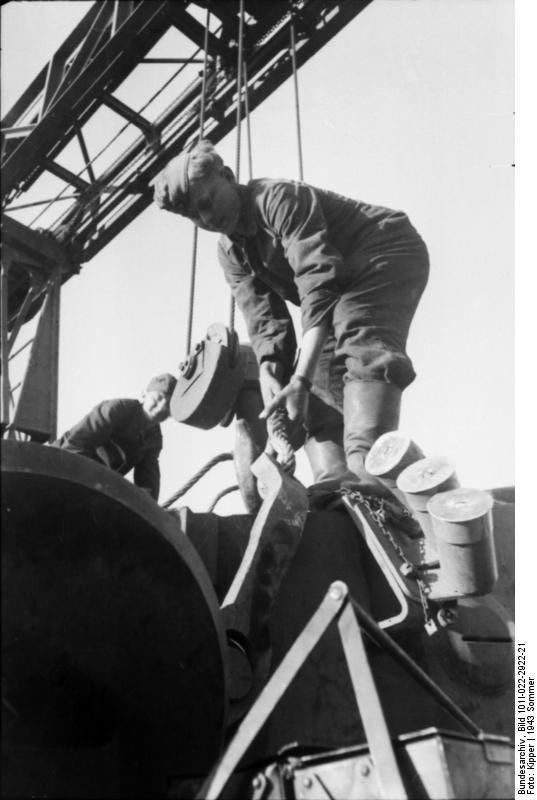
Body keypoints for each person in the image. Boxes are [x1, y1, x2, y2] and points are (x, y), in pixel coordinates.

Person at [152, 141, 429, 503]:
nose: (206, 219)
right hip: (335, 290)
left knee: (359, 341)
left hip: (383, 250)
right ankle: (336, 482)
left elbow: (317, 276)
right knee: (317, 386)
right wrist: (271, 376)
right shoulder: (230, 252)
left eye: (206, 202)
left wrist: (297, 378)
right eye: (194, 216)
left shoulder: (277, 198)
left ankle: (367, 471)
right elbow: (265, 322)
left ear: (228, 176)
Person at [52, 373, 177, 501]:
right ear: (144, 394)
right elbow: (75, 445)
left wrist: (148, 507)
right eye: (159, 397)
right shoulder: (118, 409)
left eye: (168, 404)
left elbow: (148, 482)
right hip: (58, 465)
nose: (162, 407)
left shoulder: (154, 439)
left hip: (97, 485)